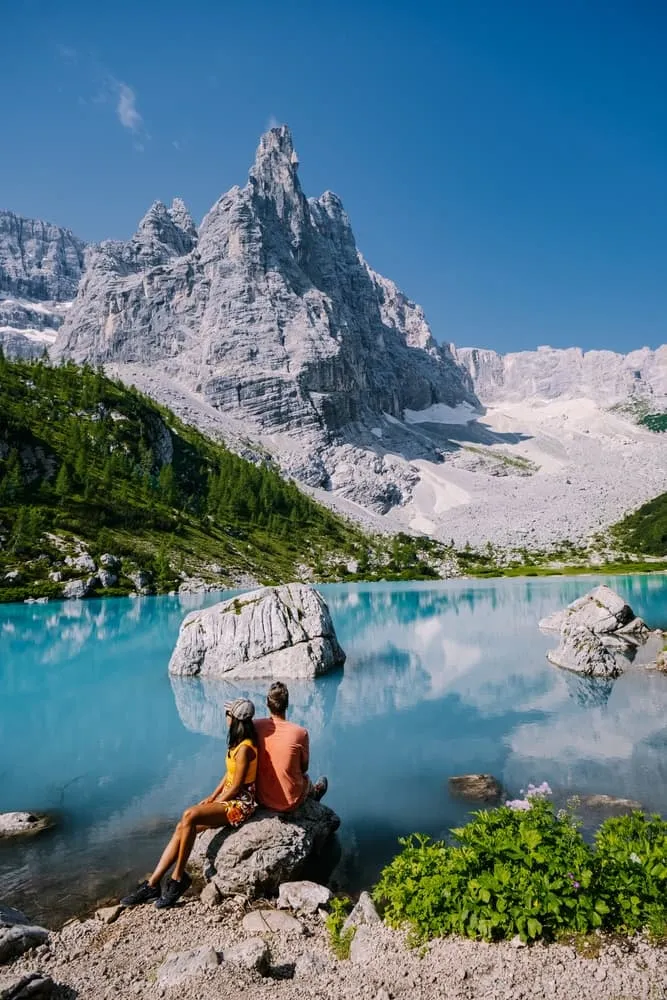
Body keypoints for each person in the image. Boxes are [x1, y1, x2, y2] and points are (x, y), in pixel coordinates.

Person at [121, 697, 258, 909]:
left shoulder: (246, 749)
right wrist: (212, 797)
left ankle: (177, 879)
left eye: (227, 714)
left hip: (241, 804)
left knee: (190, 815)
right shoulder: (237, 744)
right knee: (182, 827)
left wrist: (215, 804)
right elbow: (228, 776)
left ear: (234, 719)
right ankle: (153, 884)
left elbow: (236, 786)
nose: (225, 718)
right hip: (229, 800)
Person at [254, 682, 327, 813]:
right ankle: (315, 792)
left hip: (261, 798)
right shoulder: (300, 732)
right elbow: (304, 768)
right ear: (287, 705)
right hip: (289, 802)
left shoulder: (255, 726)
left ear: (267, 704)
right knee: (305, 779)